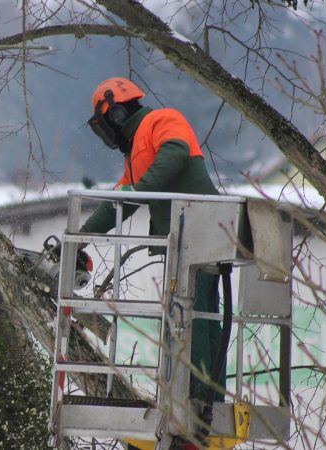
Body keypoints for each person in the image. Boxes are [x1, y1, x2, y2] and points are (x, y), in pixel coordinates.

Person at [80, 77, 224, 403]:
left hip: (201, 233)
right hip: (183, 242)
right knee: (193, 315)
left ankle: (199, 399)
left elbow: (175, 153)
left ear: (114, 115)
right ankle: (203, 394)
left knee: (194, 317)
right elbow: (119, 204)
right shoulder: (135, 152)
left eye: (105, 124)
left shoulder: (162, 120)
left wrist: (142, 189)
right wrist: (80, 238)